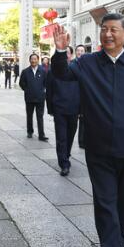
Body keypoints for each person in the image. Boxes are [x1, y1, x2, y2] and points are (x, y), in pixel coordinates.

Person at [51, 15, 124, 247]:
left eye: (113, 30)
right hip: (98, 146)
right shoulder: (87, 62)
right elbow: (61, 75)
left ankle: (118, 239)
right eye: (104, 30)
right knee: (104, 200)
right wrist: (60, 51)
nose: (108, 34)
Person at [46, 46, 79, 176]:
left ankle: (66, 154)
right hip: (59, 109)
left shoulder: (77, 69)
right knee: (61, 137)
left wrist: (82, 109)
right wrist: (50, 108)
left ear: (71, 56)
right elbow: (49, 91)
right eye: (63, 54)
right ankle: (64, 164)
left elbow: (83, 90)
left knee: (70, 135)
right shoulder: (52, 71)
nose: (66, 57)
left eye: (68, 54)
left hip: (74, 108)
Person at [19, 53, 48, 141]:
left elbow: (46, 83)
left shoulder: (43, 71)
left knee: (40, 117)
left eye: (35, 59)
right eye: (32, 59)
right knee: (29, 116)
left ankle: (41, 135)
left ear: (38, 60)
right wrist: (27, 90)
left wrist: (42, 91)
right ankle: (30, 132)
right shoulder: (25, 71)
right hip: (29, 98)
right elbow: (21, 83)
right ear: (29, 60)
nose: (33, 61)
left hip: (40, 98)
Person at [74, 44, 86, 149]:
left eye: (82, 51)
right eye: (78, 51)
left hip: (85, 96)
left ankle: (82, 141)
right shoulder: (72, 64)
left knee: (84, 119)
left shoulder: (88, 64)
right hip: (74, 96)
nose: (80, 53)